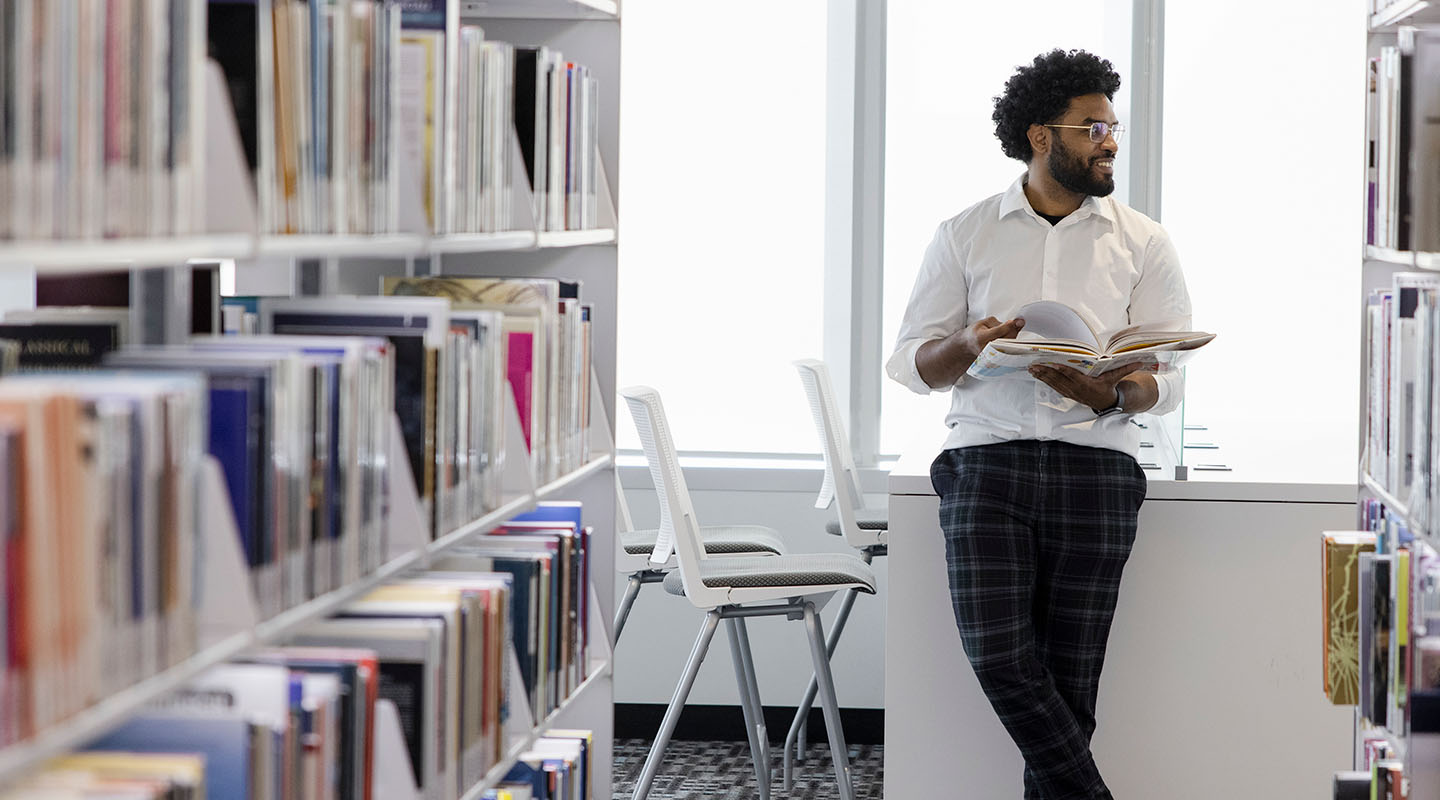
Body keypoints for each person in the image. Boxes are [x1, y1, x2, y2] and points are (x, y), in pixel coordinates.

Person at [885, 49, 1192, 799]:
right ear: (1040, 136)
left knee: (1071, 680)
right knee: (999, 659)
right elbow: (910, 365)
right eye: (1092, 127)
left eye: (1112, 126)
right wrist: (969, 342)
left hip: (1098, 466)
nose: (1109, 141)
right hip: (987, 464)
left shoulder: (1144, 240)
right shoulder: (965, 233)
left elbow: (1168, 381)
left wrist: (1111, 395)